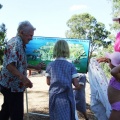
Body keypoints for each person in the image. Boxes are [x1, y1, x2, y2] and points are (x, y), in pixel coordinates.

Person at [0, 21, 45, 120]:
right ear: (21, 32)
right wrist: (23, 78)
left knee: (6, 111)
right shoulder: (15, 43)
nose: (31, 38)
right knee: (17, 114)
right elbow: (10, 66)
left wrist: (35, 67)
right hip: (12, 87)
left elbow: (20, 64)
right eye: (30, 35)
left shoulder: (21, 44)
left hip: (14, 86)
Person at [45, 40, 80, 120]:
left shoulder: (50, 65)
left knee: (55, 116)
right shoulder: (71, 66)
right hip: (66, 97)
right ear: (67, 50)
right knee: (65, 116)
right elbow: (76, 84)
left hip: (54, 96)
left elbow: (48, 82)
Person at [97, 51, 120, 120]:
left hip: (118, 107)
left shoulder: (118, 76)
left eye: (109, 62)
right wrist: (106, 59)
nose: (108, 64)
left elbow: (113, 71)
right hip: (116, 106)